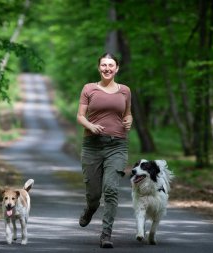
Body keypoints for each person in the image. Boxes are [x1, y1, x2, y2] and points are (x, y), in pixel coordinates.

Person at [76, 52, 132, 248]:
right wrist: (90, 126)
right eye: (104, 65)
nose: (107, 68)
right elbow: (80, 116)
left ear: (117, 68)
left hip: (117, 145)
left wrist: (129, 120)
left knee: (111, 190)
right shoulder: (89, 89)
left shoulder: (125, 90)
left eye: (111, 65)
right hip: (92, 145)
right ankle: (90, 209)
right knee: (93, 195)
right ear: (99, 68)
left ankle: (106, 234)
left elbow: (127, 114)